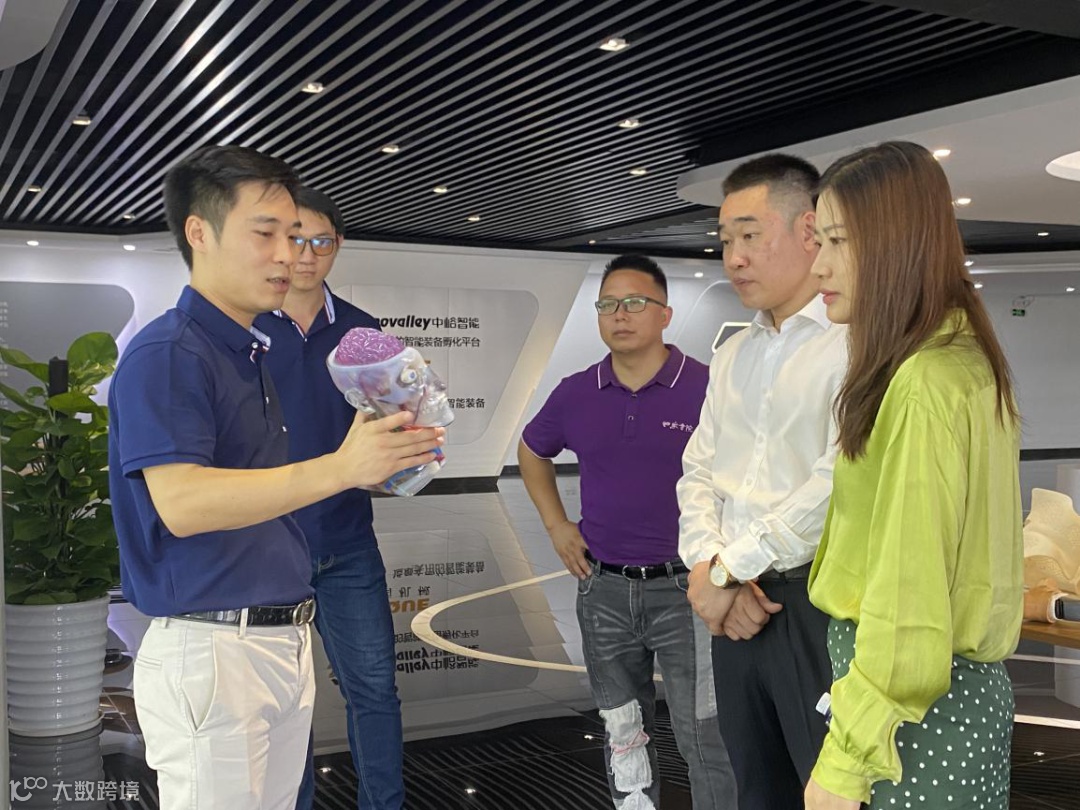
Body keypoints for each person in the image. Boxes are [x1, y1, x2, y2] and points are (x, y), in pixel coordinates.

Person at [108, 145, 443, 810]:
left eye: (296, 236)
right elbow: (182, 502)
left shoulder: (245, 351)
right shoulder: (171, 352)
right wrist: (341, 467)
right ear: (199, 232)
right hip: (215, 646)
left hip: (275, 633)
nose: (289, 255)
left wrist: (385, 461)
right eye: (266, 234)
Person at [804, 140, 1023, 810]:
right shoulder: (960, 357)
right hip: (953, 703)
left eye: (837, 241)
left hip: (912, 721)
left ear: (895, 243)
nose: (818, 266)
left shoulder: (923, 380)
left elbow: (909, 598)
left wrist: (844, 764)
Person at [518, 255, 736, 809]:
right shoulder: (577, 392)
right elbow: (532, 449)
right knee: (624, 735)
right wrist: (557, 525)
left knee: (705, 735)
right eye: (608, 304)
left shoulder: (707, 386)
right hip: (604, 591)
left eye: (635, 302)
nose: (620, 314)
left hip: (690, 589)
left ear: (664, 314)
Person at [676, 154, 848, 810]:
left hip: (816, 603)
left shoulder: (854, 344)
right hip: (732, 610)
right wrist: (707, 568)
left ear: (809, 230)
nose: (734, 258)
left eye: (750, 235)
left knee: (829, 788)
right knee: (757, 788)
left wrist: (728, 571)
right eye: (725, 241)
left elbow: (837, 483)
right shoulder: (733, 353)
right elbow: (699, 470)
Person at [253, 187, 403, 810]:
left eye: (321, 242)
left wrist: (400, 462)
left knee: (374, 691)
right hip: (267, 547)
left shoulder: (364, 333)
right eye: (295, 240)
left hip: (347, 544)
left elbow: (394, 429)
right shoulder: (246, 327)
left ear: (338, 246)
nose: (306, 255)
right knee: (284, 703)